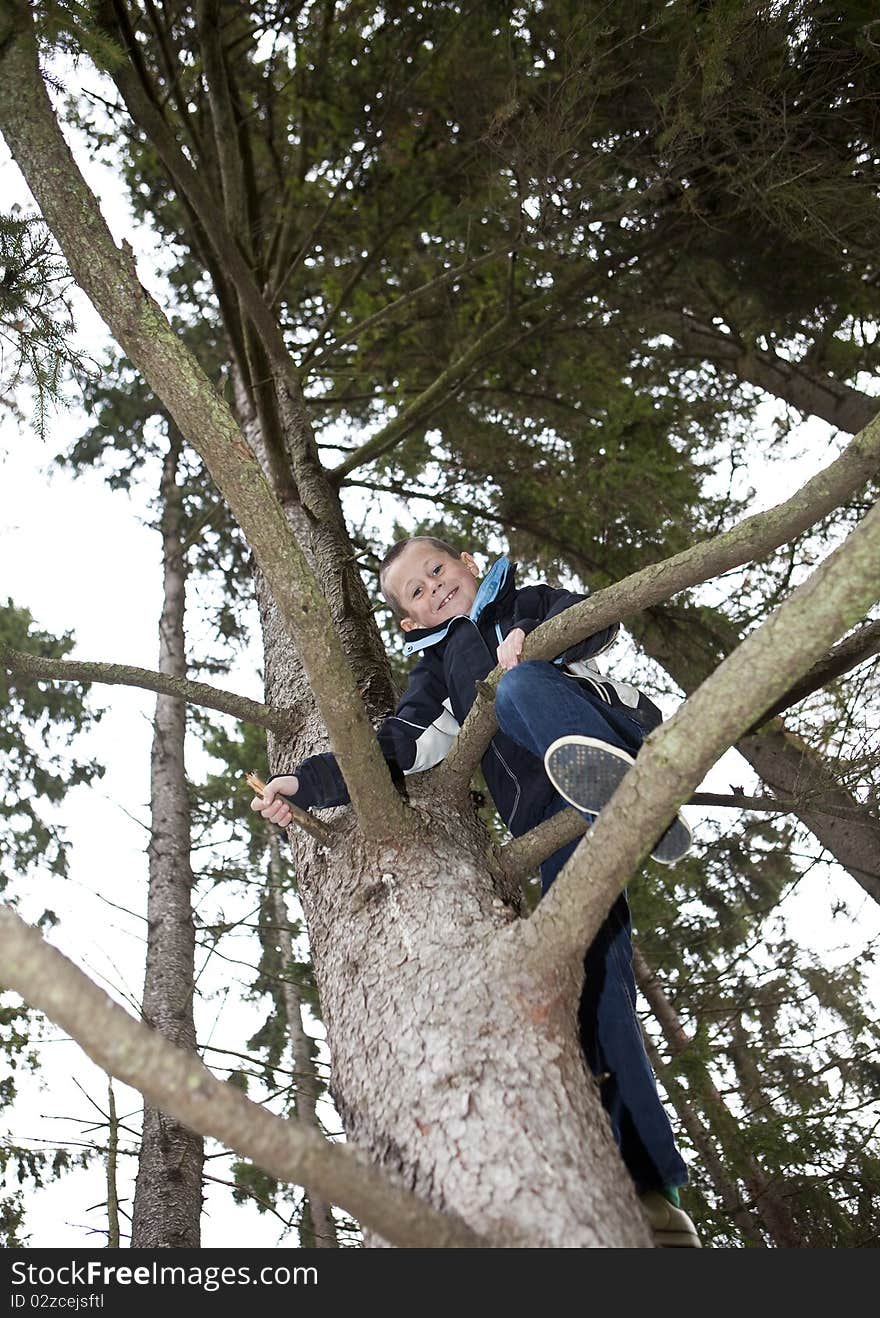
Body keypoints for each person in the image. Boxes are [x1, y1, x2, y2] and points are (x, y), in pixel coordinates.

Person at [252, 536, 700, 1247]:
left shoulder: (518, 600)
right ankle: (652, 1195)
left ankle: (632, 793)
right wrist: (304, 784)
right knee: (590, 982)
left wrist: (534, 635)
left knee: (518, 685)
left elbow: (597, 620)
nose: (434, 590)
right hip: (558, 823)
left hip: (608, 732)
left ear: (468, 562)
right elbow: (397, 743)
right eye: (417, 594)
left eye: (438, 572)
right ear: (407, 622)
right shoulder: (436, 674)